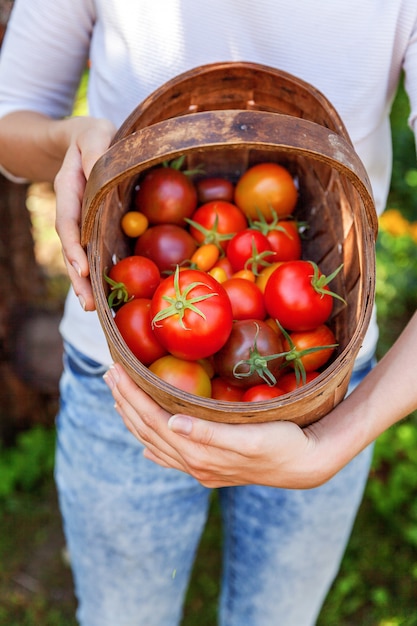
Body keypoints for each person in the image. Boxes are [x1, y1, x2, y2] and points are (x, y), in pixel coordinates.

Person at [0, 2, 416, 625]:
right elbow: (9, 121)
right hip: (124, 387)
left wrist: (333, 443)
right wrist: (69, 140)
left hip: (326, 393)